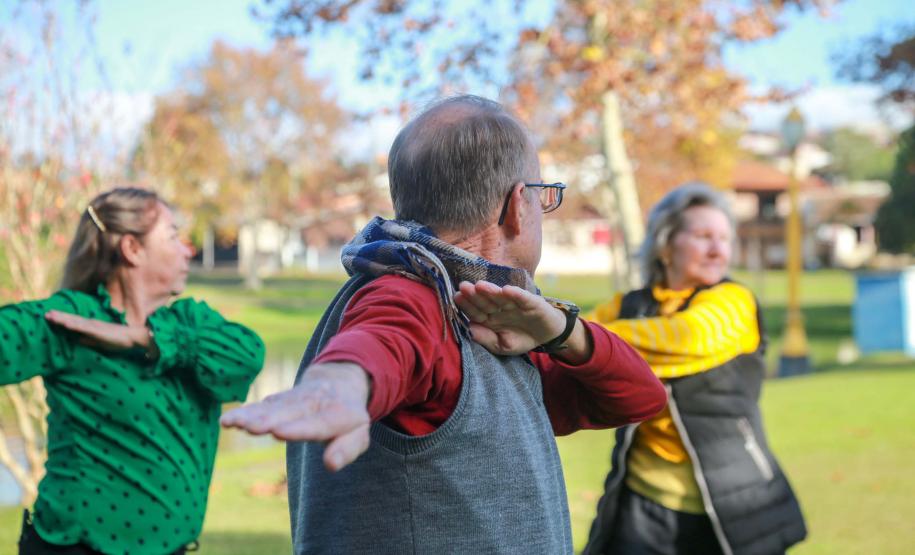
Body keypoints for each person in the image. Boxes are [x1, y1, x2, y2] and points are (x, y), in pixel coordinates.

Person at [221, 95, 667, 554]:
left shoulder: (493, 318)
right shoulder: (411, 292)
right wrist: (342, 383)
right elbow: (383, 339)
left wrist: (562, 331)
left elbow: (640, 397)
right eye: (541, 194)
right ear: (518, 205)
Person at [3, 187, 265, 555]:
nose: (187, 249)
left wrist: (141, 339)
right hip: (74, 547)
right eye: (173, 235)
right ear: (132, 249)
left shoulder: (190, 320)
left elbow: (246, 357)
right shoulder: (73, 319)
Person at [583, 183, 807, 555]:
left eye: (724, 238)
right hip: (640, 503)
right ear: (666, 244)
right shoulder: (632, 306)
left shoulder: (734, 301)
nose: (719, 249)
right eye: (704, 236)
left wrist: (575, 336)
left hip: (734, 502)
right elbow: (570, 345)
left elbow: (684, 338)